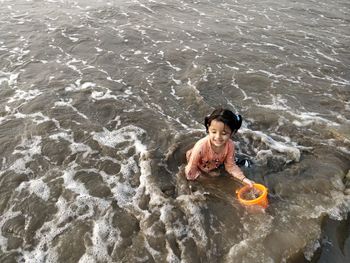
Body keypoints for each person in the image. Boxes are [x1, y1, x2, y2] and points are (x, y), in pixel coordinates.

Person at [185, 108, 254, 187]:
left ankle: (235, 161)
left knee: (229, 165)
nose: (218, 137)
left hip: (215, 162)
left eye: (224, 133)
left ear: (233, 133)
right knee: (212, 179)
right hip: (199, 162)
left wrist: (244, 179)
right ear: (208, 128)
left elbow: (230, 166)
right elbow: (191, 167)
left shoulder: (230, 145)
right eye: (214, 132)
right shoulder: (201, 146)